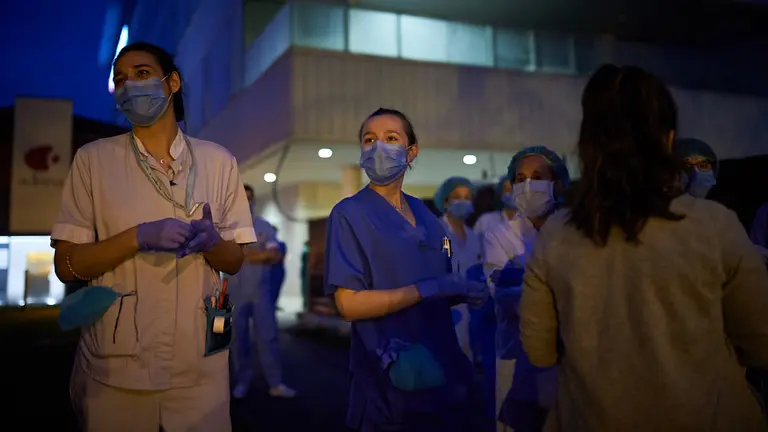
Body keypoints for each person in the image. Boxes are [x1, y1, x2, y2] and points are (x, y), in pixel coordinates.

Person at [519, 64, 768, 431]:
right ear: (668, 140)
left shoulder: (556, 235)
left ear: (588, 145)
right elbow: (761, 343)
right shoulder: (715, 226)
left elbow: (539, 350)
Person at [51, 41, 256, 431]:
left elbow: (234, 261)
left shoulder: (218, 162)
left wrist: (213, 243)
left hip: (200, 365)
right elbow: (66, 265)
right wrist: (138, 237)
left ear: (172, 82)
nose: (130, 85)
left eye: (142, 73)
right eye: (120, 80)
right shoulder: (94, 160)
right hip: (117, 364)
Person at [324, 107, 488, 432]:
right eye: (369, 139)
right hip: (389, 370)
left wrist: (460, 291)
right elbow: (348, 304)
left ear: (411, 152)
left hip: (441, 364)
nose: (378, 147)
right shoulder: (350, 214)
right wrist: (426, 290)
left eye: (391, 138)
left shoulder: (425, 215)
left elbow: (434, 282)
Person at [483, 146, 570, 432]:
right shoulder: (500, 235)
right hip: (515, 354)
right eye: (520, 179)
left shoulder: (572, 231)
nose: (528, 185)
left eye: (538, 177)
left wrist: (529, 285)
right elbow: (503, 297)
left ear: (557, 183)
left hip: (569, 358)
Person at [228, 184, 296, 399]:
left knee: (268, 337)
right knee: (238, 340)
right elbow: (229, 254)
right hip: (235, 294)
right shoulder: (226, 227)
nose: (247, 202)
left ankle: (275, 383)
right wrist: (259, 253)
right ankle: (242, 381)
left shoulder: (264, 226)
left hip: (261, 293)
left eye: (250, 198)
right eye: (243, 198)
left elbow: (275, 255)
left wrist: (244, 253)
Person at [432, 176, 482, 359]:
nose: (463, 202)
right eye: (457, 197)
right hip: (442, 307)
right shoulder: (434, 230)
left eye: (467, 198)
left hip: (470, 308)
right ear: (445, 202)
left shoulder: (473, 236)